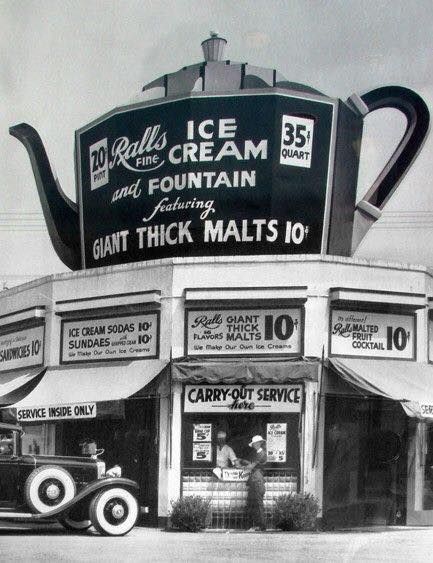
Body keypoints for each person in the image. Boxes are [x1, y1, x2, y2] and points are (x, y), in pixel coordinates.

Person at [244, 435, 267, 531]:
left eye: (255, 443)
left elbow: (251, 466)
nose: (254, 445)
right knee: (253, 503)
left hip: (257, 480)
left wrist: (243, 463)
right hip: (255, 480)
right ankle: (257, 525)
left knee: (258, 503)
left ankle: (262, 525)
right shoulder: (258, 454)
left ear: (259, 443)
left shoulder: (261, 454)